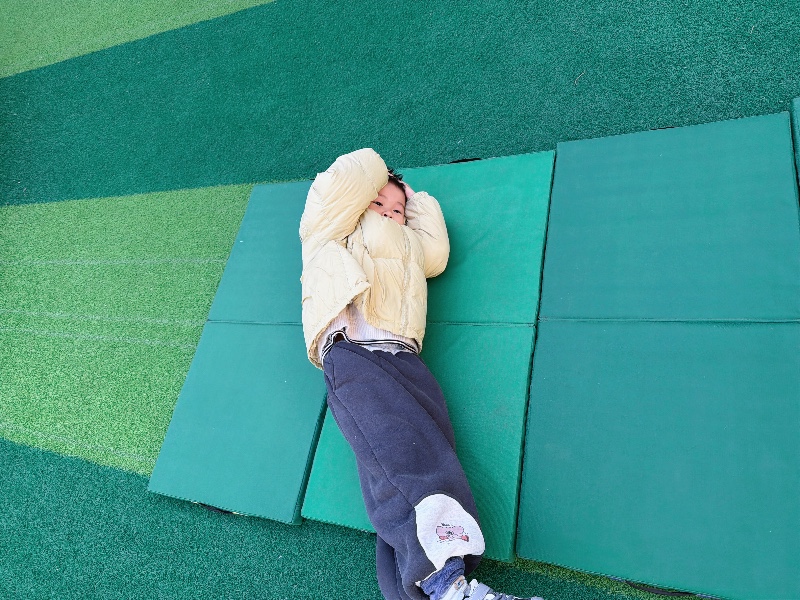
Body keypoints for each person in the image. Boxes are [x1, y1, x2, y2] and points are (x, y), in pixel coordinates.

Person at [299, 148, 543, 600]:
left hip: (406, 358)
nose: (389, 212)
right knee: (409, 461)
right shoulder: (330, 229)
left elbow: (436, 253)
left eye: (397, 209)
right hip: (354, 351)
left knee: (411, 463)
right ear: (358, 202)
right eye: (378, 203)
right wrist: (382, 174)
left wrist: (417, 200)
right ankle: (446, 581)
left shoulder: (410, 245)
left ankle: (418, 590)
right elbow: (339, 185)